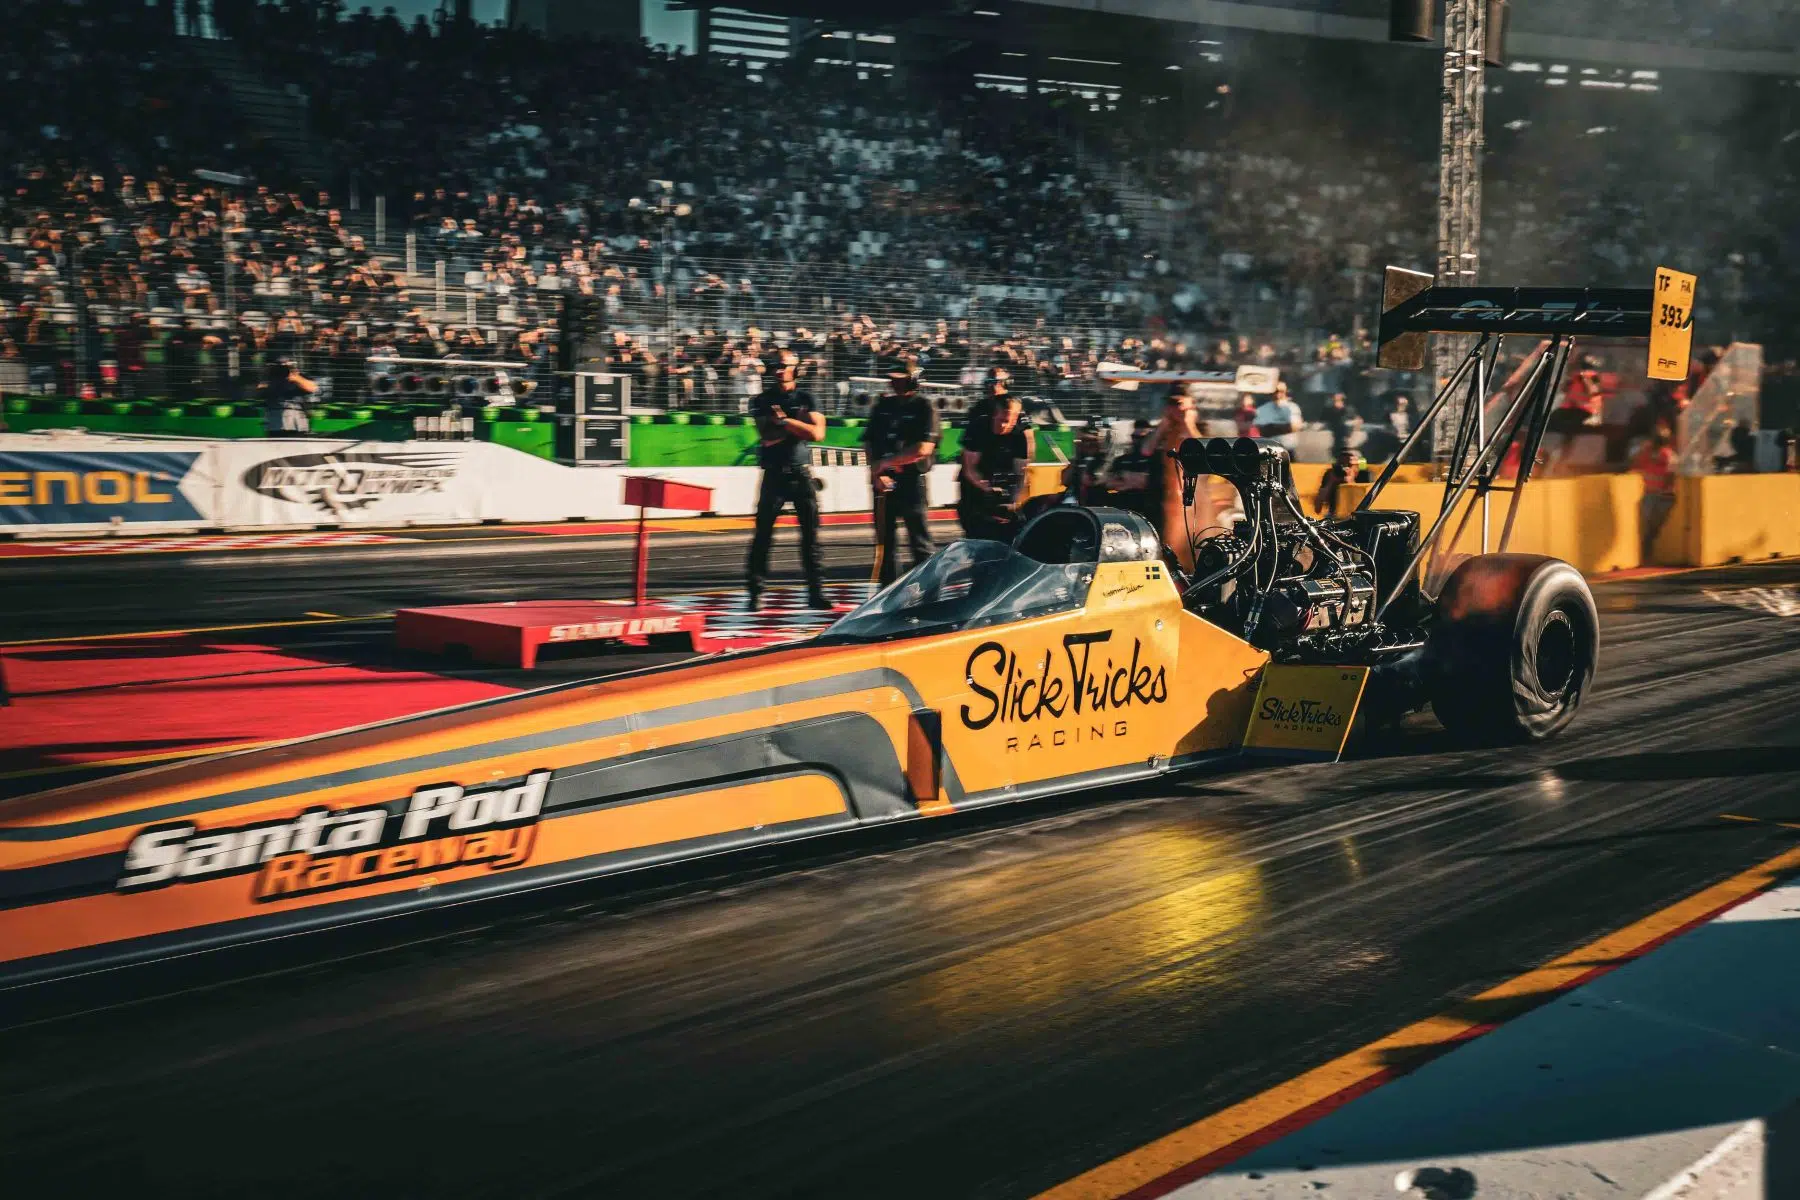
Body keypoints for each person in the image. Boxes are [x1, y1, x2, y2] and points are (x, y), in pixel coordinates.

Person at [746, 348, 829, 611]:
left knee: (811, 537)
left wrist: (784, 421)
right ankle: (756, 592)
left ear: (796, 367)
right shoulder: (761, 400)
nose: (779, 370)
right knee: (763, 535)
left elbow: (817, 434)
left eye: (784, 365)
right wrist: (797, 426)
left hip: (801, 472)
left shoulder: (807, 397)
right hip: (773, 474)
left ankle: (816, 593)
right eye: (775, 366)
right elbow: (767, 436)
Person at [865, 368, 942, 585]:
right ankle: (888, 592)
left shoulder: (924, 407)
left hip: (911, 481)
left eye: (900, 379)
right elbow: (869, 441)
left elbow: (923, 448)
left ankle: (928, 593)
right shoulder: (882, 406)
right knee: (885, 546)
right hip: (882, 483)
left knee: (920, 543)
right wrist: (876, 471)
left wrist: (887, 463)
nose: (894, 384)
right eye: (892, 379)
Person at [958, 393, 1032, 542]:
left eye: (1008, 422)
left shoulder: (1020, 435)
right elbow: (969, 469)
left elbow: (1022, 471)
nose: (1003, 426)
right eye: (1000, 420)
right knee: (977, 534)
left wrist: (1014, 501)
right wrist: (987, 488)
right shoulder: (977, 428)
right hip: (975, 485)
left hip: (1005, 480)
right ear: (993, 415)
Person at [1634, 425, 1676, 564]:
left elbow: (1671, 474)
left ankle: (1647, 552)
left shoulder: (1668, 454)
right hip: (1651, 493)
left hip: (1664, 496)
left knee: (1653, 526)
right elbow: (1637, 463)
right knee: (1647, 525)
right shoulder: (1647, 452)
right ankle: (1646, 553)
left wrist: (1663, 488)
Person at [261, 356, 319, 435]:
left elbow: (313, 388)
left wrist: (295, 377)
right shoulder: (270, 377)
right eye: (281, 366)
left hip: (298, 423)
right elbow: (260, 390)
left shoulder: (299, 376)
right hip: (276, 423)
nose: (284, 369)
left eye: (286, 366)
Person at [1252, 382, 1304, 454]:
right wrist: (1286, 426)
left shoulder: (1292, 407)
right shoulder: (1263, 409)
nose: (1278, 395)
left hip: (1288, 451)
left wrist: (1271, 427)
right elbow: (1261, 430)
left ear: (1286, 393)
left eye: (1281, 391)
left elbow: (1296, 427)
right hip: (1269, 451)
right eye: (1275, 391)